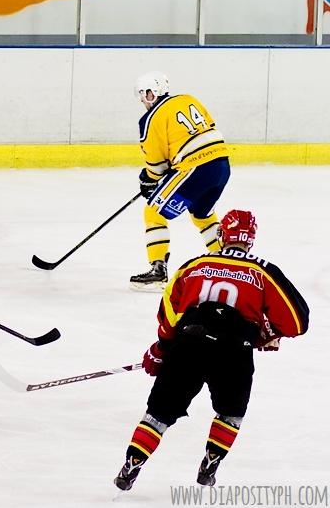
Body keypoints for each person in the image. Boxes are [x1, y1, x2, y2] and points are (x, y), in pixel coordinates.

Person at [114, 210, 309, 491]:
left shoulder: (194, 265)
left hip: (188, 347)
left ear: (222, 235)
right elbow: (297, 322)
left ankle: (131, 466)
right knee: (231, 413)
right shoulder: (264, 271)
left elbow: (169, 312)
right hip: (234, 353)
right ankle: (210, 465)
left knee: (158, 413)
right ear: (251, 239)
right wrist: (263, 334)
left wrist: (162, 348)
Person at [129, 71, 232, 291]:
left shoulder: (151, 118)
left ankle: (158, 271)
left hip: (195, 167)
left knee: (154, 211)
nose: (144, 101)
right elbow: (206, 128)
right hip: (221, 165)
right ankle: (228, 265)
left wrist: (148, 180)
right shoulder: (189, 99)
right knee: (203, 215)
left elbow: (156, 164)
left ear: (152, 93)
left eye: (144, 95)